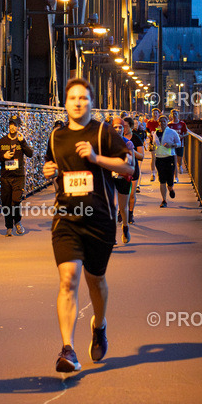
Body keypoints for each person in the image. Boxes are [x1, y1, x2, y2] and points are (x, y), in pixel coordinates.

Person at [43, 79, 133, 372]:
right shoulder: (56, 136)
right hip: (66, 219)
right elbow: (52, 166)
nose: (78, 102)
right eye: (73, 98)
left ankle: (99, 325)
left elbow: (129, 167)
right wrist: (49, 170)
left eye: (83, 98)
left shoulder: (103, 133)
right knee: (68, 279)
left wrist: (96, 158)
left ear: (91, 103)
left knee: (96, 280)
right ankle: (67, 349)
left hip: (100, 220)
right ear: (65, 102)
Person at [0, 115, 34, 236]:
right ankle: (9, 227)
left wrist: (23, 142)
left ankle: (17, 221)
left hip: (18, 176)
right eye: (11, 124)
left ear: (18, 127)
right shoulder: (2, 141)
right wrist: (3, 156)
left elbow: (30, 154)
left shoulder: (21, 140)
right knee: (6, 203)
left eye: (15, 125)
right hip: (5, 176)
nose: (13, 127)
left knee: (15, 201)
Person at [111, 117, 136, 245]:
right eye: (115, 127)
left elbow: (133, 163)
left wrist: (129, 167)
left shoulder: (128, 143)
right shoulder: (107, 143)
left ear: (123, 129)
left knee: (122, 207)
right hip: (111, 178)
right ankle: (112, 236)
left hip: (124, 178)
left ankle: (125, 227)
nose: (118, 129)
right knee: (113, 207)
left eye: (120, 127)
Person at [154, 115, 181, 207]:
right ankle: (164, 200)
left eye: (164, 121)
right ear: (158, 123)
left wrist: (172, 145)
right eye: (160, 121)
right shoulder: (155, 133)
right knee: (162, 180)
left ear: (167, 122)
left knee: (169, 180)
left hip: (169, 157)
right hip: (159, 158)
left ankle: (171, 189)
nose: (162, 123)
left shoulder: (172, 132)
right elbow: (154, 144)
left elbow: (179, 143)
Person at [124, 116, 145, 225]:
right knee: (122, 193)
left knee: (131, 194)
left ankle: (131, 213)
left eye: (126, 127)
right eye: (123, 126)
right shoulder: (118, 137)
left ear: (131, 127)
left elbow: (141, 156)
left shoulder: (136, 138)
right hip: (121, 169)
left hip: (133, 168)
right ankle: (122, 212)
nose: (124, 129)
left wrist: (131, 150)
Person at [169, 109, 188, 182]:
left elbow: (187, 133)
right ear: (171, 115)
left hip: (180, 144)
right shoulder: (169, 125)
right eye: (173, 114)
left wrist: (181, 136)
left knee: (179, 158)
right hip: (172, 145)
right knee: (173, 160)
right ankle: (175, 177)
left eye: (176, 114)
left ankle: (180, 165)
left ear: (178, 114)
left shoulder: (182, 124)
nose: (174, 115)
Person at [146, 108, 160, 181]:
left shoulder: (160, 122)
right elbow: (147, 130)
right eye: (153, 113)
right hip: (152, 141)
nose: (155, 114)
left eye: (156, 113)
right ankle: (153, 173)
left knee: (160, 157)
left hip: (160, 142)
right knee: (153, 157)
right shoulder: (149, 122)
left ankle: (160, 172)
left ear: (159, 114)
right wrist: (148, 134)